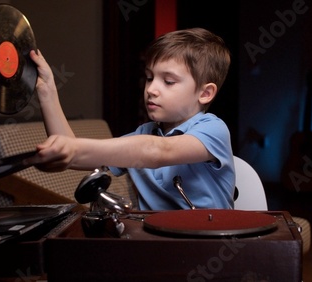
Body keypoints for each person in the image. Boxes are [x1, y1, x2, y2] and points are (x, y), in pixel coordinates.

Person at [27, 27, 235, 210]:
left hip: (208, 245)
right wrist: (47, 92)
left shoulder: (213, 129)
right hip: (154, 243)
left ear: (205, 93)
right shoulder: (144, 133)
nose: (151, 89)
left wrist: (74, 149)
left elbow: (158, 151)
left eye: (168, 81)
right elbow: (74, 156)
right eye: (150, 78)